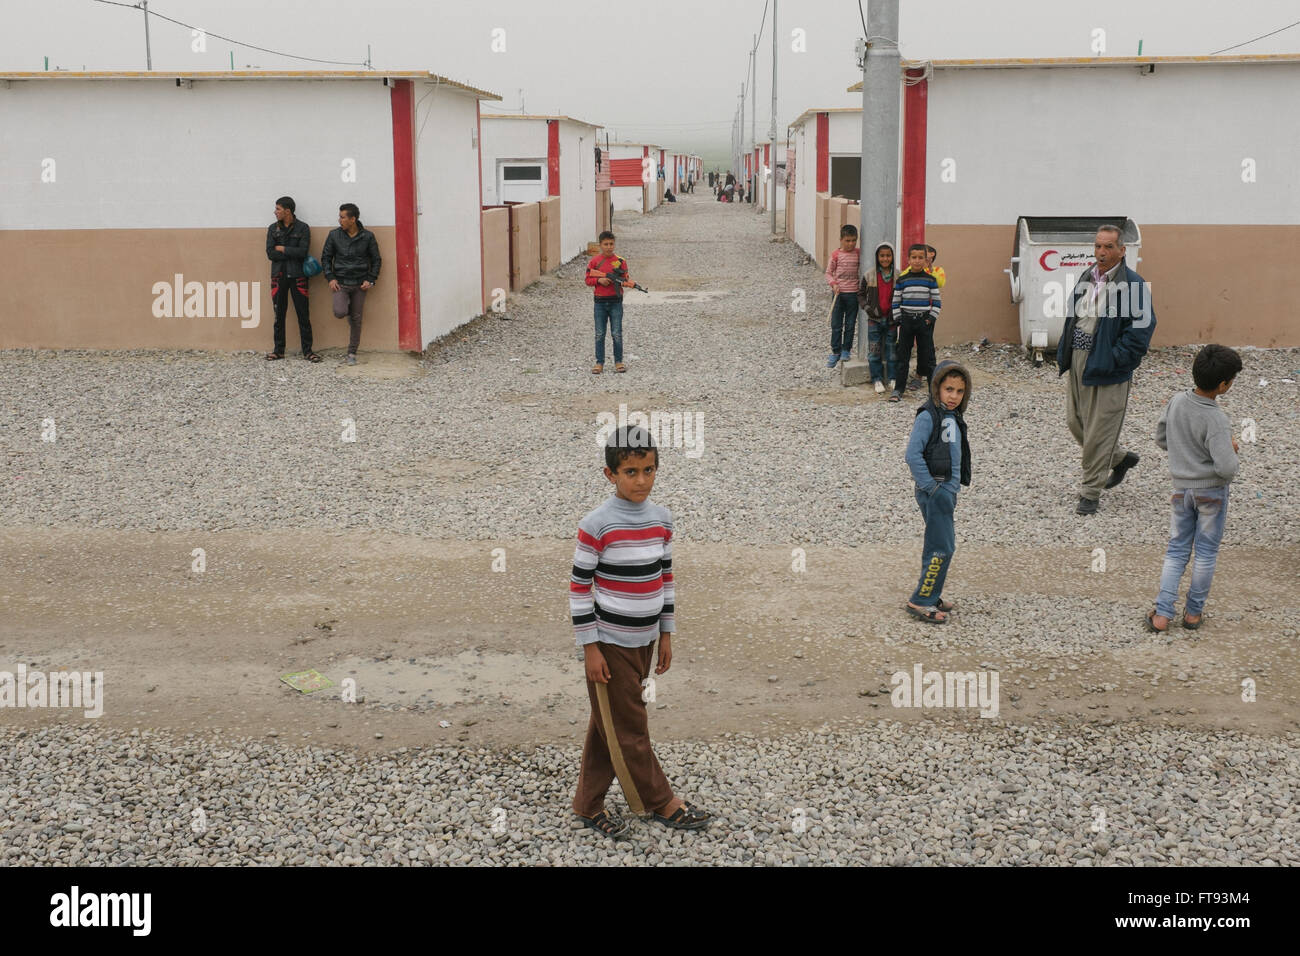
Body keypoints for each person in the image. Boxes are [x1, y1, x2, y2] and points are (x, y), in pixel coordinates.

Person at [569, 425, 711, 838]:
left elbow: (665, 579)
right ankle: (660, 801)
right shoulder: (597, 525)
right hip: (609, 645)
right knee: (630, 727)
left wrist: (666, 634)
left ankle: (587, 804)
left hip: (645, 642)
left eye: (649, 470)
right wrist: (590, 648)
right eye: (630, 472)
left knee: (608, 723)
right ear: (609, 474)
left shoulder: (661, 520)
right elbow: (580, 589)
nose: (641, 480)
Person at [1057, 225, 1156, 514]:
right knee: (1076, 422)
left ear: (1122, 250)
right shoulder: (1087, 276)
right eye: (1098, 246)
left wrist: (1116, 359)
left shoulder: (1133, 285)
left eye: (1109, 247)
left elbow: (1141, 330)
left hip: (1109, 367)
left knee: (1099, 431)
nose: (1102, 252)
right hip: (1079, 359)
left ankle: (1089, 492)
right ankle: (1120, 458)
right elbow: (1075, 315)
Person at [1145, 345, 1242, 633]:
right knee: (1206, 553)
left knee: (1176, 550)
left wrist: (1184, 451)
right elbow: (1226, 468)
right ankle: (1193, 614)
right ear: (1223, 385)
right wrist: (1231, 449)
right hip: (1211, 493)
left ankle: (1162, 615)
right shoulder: (1216, 419)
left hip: (1180, 490)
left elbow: (1162, 438)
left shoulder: (1176, 401)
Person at [903, 360, 972, 624]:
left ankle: (933, 592)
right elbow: (912, 455)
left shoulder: (952, 416)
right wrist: (932, 488)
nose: (953, 396)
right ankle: (921, 600)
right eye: (948, 389)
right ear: (936, 389)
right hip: (936, 492)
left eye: (959, 391)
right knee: (941, 547)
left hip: (946, 492)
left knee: (942, 543)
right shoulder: (928, 416)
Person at [322, 203, 381, 366]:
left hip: (360, 284)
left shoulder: (368, 237)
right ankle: (347, 308)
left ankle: (352, 353)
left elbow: (376, 260)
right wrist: (330, 277)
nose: (339, 220)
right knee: (340, 312)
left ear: (353, 219)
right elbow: (326, 258)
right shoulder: (334, 235)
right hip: (340, 283)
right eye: (340, 216)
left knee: (356, 319)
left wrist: (371, 279)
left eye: (342, 217)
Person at [265, 196, 319, 362]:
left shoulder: (303, 228)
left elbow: (302, 252)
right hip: (279, 277)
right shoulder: (273, 228)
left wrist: (282, 248)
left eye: (278, 209)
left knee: (303, 315)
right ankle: (278, 350)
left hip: (298, 277)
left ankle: (308, 351)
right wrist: (290, 251)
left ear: (287, 211)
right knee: (278, 316)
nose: (275, 212)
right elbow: (270, 253)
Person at [890, 244, 942, 402]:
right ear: (908, 259)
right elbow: (895, 301)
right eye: (914, 257)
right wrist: (899, 319)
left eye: (921, 258)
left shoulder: (931, 280)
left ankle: (934, 392)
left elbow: (937, 303)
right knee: (903, 356)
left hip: (923, 321)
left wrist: (930, 318)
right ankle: (899, 389)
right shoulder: (902, 280)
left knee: (927, 355)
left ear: (926, 260)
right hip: (906, 321)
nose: (917, 261)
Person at [585, 230, 635, 374]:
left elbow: (625, 278)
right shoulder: (595, 261)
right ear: (600, 245)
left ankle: (618, 362)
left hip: (616, 302)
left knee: (617, 333)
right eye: (606, 244)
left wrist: (628, 283)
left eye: (611, 244)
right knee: (599, 334)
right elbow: (588, 279)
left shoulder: (620, 261)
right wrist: (599, 280)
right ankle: (599, 363)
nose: (609, 247)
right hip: (600, 302)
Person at [858, 241, 897, 393]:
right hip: (874, 320)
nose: (885, 259)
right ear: (877, 257)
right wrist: (867, 308)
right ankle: (877, 379)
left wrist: (898, 313)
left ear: (892, 257)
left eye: (888, 255)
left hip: (892, 320)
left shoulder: (898, 275)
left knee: (892, 351)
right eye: (882, 256)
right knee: (874, 351)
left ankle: (893, 378)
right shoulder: (869, 275)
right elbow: (860, 294)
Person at [824, 224, 861, 368]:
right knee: (836, 325)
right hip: (838, 295)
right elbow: (828, 273)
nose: (851, 244)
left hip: (853, 294)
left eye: (853, 240)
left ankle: (846, 350)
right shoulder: (836, 255)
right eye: (847, 240)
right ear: (841, 240)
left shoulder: (858, 253)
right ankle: (835, 351)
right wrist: (833, 284)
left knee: (850, 324)